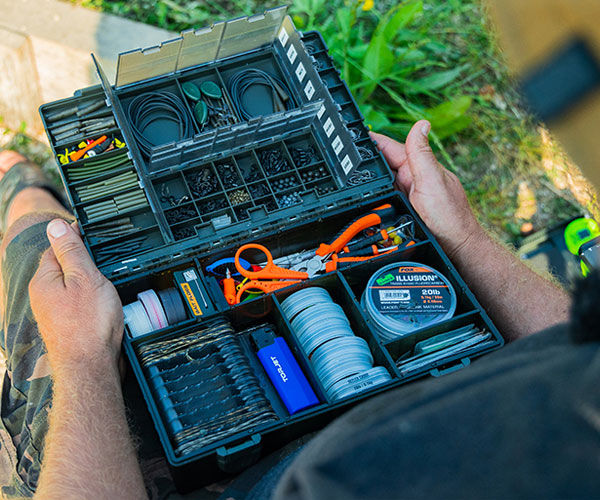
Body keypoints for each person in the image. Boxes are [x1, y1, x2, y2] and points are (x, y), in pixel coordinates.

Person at [0, 116, 586, 499]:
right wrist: (463, 240)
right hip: (412, 406)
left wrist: (80, 357)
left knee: (36, 247)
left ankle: (19, 181)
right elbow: (578, 350)